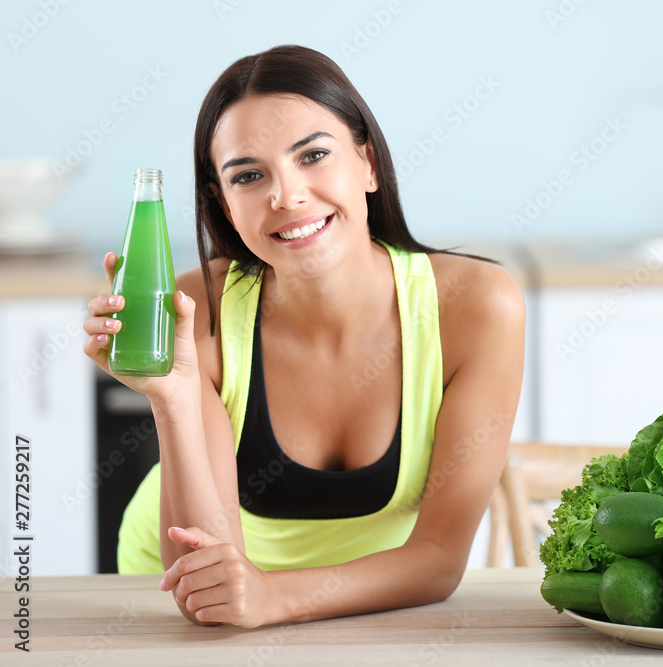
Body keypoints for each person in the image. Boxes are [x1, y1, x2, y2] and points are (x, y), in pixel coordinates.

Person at [83, 44, 525, 628]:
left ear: (367, 163)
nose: (286, 196)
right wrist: (171, 393)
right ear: (225, 203)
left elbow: (438, 561)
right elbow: (206, 585)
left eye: (313, 155)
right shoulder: (197, 311)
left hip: (369, 612)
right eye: (248, 175)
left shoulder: (475, 308)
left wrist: (273, 597)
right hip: (170, 595)